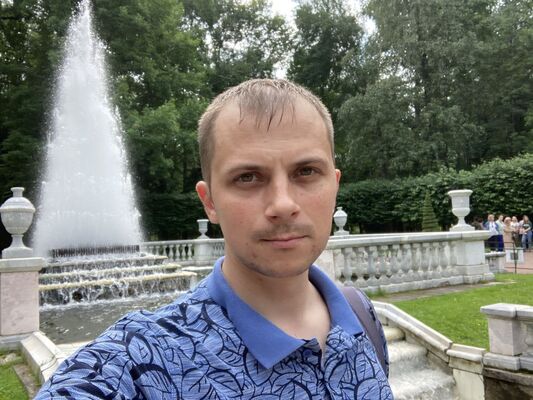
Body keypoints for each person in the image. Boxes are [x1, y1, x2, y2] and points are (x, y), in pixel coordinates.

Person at [35, 79, 392, 399]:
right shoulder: (139, 362)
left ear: (334, 185)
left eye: (307, 171)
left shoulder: (361, 315)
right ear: (209, 202)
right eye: (248, 177)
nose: (283, 205)